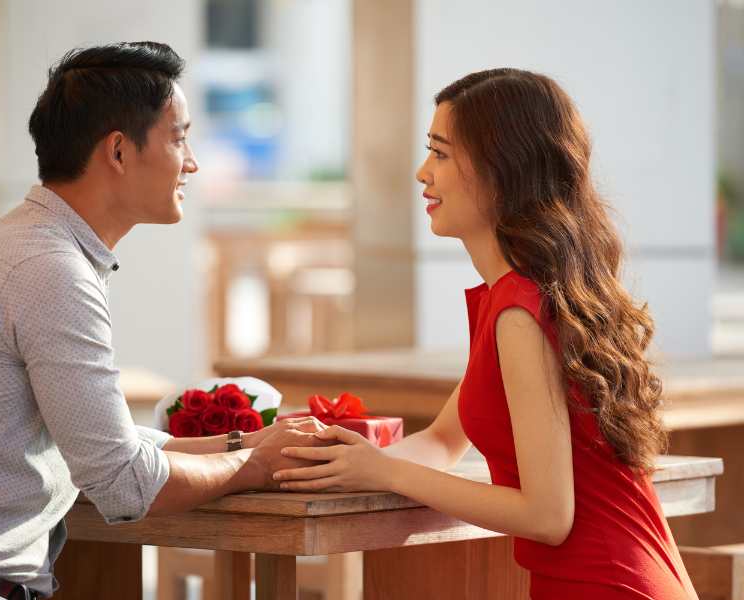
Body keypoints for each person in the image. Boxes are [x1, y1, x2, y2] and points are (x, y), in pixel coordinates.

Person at [274, 68, 699, 599]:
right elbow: (441, 441)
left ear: (503, 169)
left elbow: (549, 516)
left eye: (441, 153)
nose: (422, 173)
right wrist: (337, 460)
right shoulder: (516, 298)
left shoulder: (521, 311)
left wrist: (386, 473)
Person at [0, 42, 325, 600]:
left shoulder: (27, 243)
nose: (192, 161)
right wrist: (255, 466)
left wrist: (244, 442)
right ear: (119, 152)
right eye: (179, 137)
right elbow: (121, 481)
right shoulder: (49, 268)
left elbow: (101, 439)